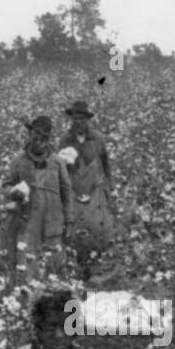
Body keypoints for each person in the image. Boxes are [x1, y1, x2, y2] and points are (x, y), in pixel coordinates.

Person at [3, 116, 73, 289]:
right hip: (28, 221)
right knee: (26, 263)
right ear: (29, 136)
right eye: (34, 137)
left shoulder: (58, 162)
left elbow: (67, 192)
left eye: (42, 139)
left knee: (53, 265)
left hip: (53, 221)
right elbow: (6, 185)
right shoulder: (19, 162)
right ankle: (24, 302)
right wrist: (14, 192)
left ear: (47, 140)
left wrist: (70, 220)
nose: (38, 142)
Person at [58, 101, 116, 282]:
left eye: (81, 118)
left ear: (87, 120)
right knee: (74, 225)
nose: (78, 122)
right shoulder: (65, 140)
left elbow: (105, 162)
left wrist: (110, 184)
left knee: (98, 225)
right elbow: (59, 167)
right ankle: (78, 264)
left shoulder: (97, 139)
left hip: (94, 186)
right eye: (75, 118)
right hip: (74, 187)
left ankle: (96, 263)